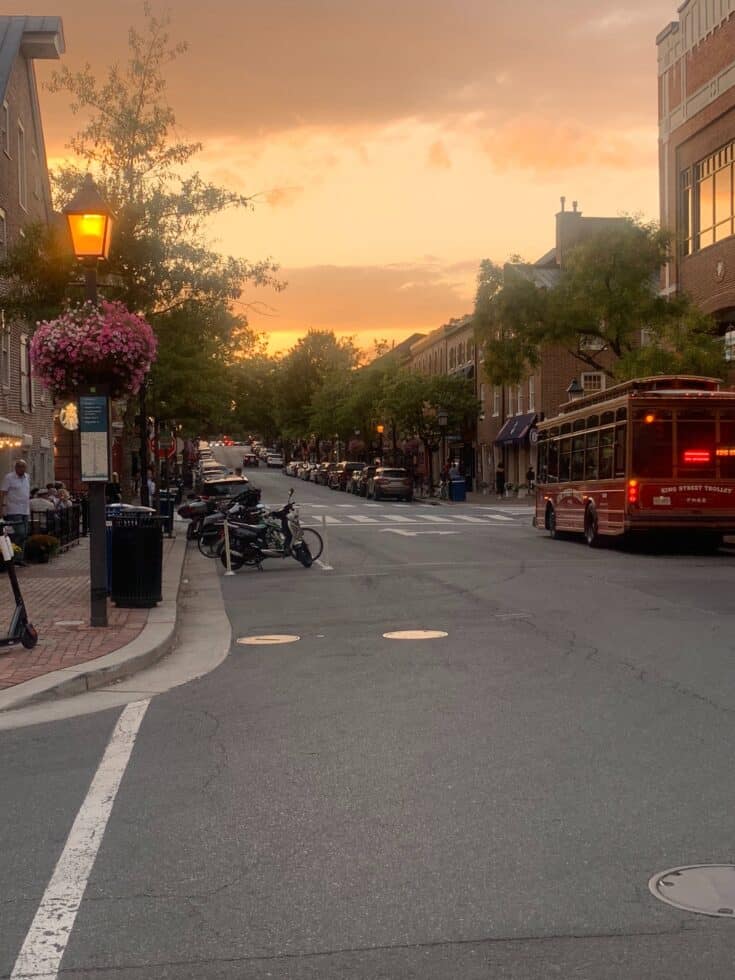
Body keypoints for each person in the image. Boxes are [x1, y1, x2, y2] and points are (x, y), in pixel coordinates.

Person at [0, 459, 30, 559]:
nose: (22, 469)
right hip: (13, 509)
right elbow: (3, 492)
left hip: (25, 510)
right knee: (19, 532)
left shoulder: (27, 477)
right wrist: (2, 507)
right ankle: (12, 555)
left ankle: (19, 558)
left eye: (24, 467)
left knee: (24, 534)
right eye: (20, 467)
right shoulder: (9, 477)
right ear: (16, 467)